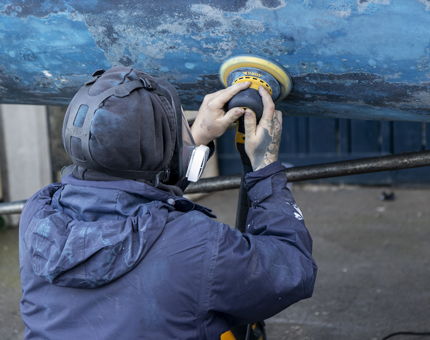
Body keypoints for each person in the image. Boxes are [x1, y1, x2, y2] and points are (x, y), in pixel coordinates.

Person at [19, 66, 317, 340]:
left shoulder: (38, 213)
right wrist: (265, 168)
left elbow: (132, 198)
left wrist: (197, 135)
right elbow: (293, 271)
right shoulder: (195, 242)